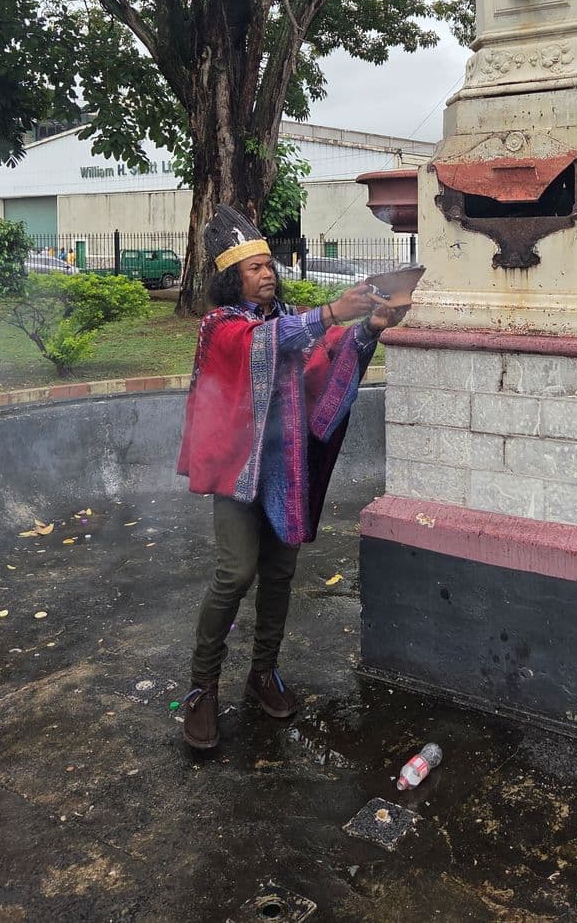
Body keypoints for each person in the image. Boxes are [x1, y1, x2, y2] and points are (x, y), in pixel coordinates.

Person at [176, 204, 403, 750]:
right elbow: (258, 344)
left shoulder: (289, 319)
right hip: (237, 471)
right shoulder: (220, 326)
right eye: (254, 268)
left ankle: (263, 672)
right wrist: (331, 311)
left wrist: (367, 328)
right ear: (232, 278)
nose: (267, 273)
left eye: (268, 265)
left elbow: (324, 357)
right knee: (235, 573)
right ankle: (202, 688)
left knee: (279, 574)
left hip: (284, 469)